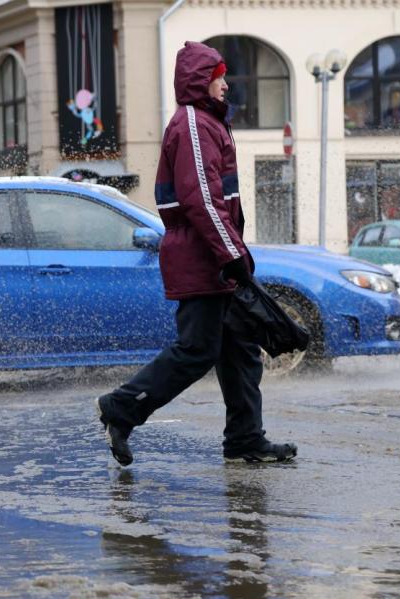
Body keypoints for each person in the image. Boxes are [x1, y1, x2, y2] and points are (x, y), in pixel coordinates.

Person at [94, 41, 297, 466]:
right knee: (197, 350)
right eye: (219, 77)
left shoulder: (207, 122)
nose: (226, 84)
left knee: (240, 350)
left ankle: (245, 439)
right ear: (201, 82)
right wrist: (231, 255)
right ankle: (121, 407)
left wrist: (232, 254)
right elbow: (201, 198)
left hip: (214, 259)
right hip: (204, 259)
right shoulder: (192, 125)